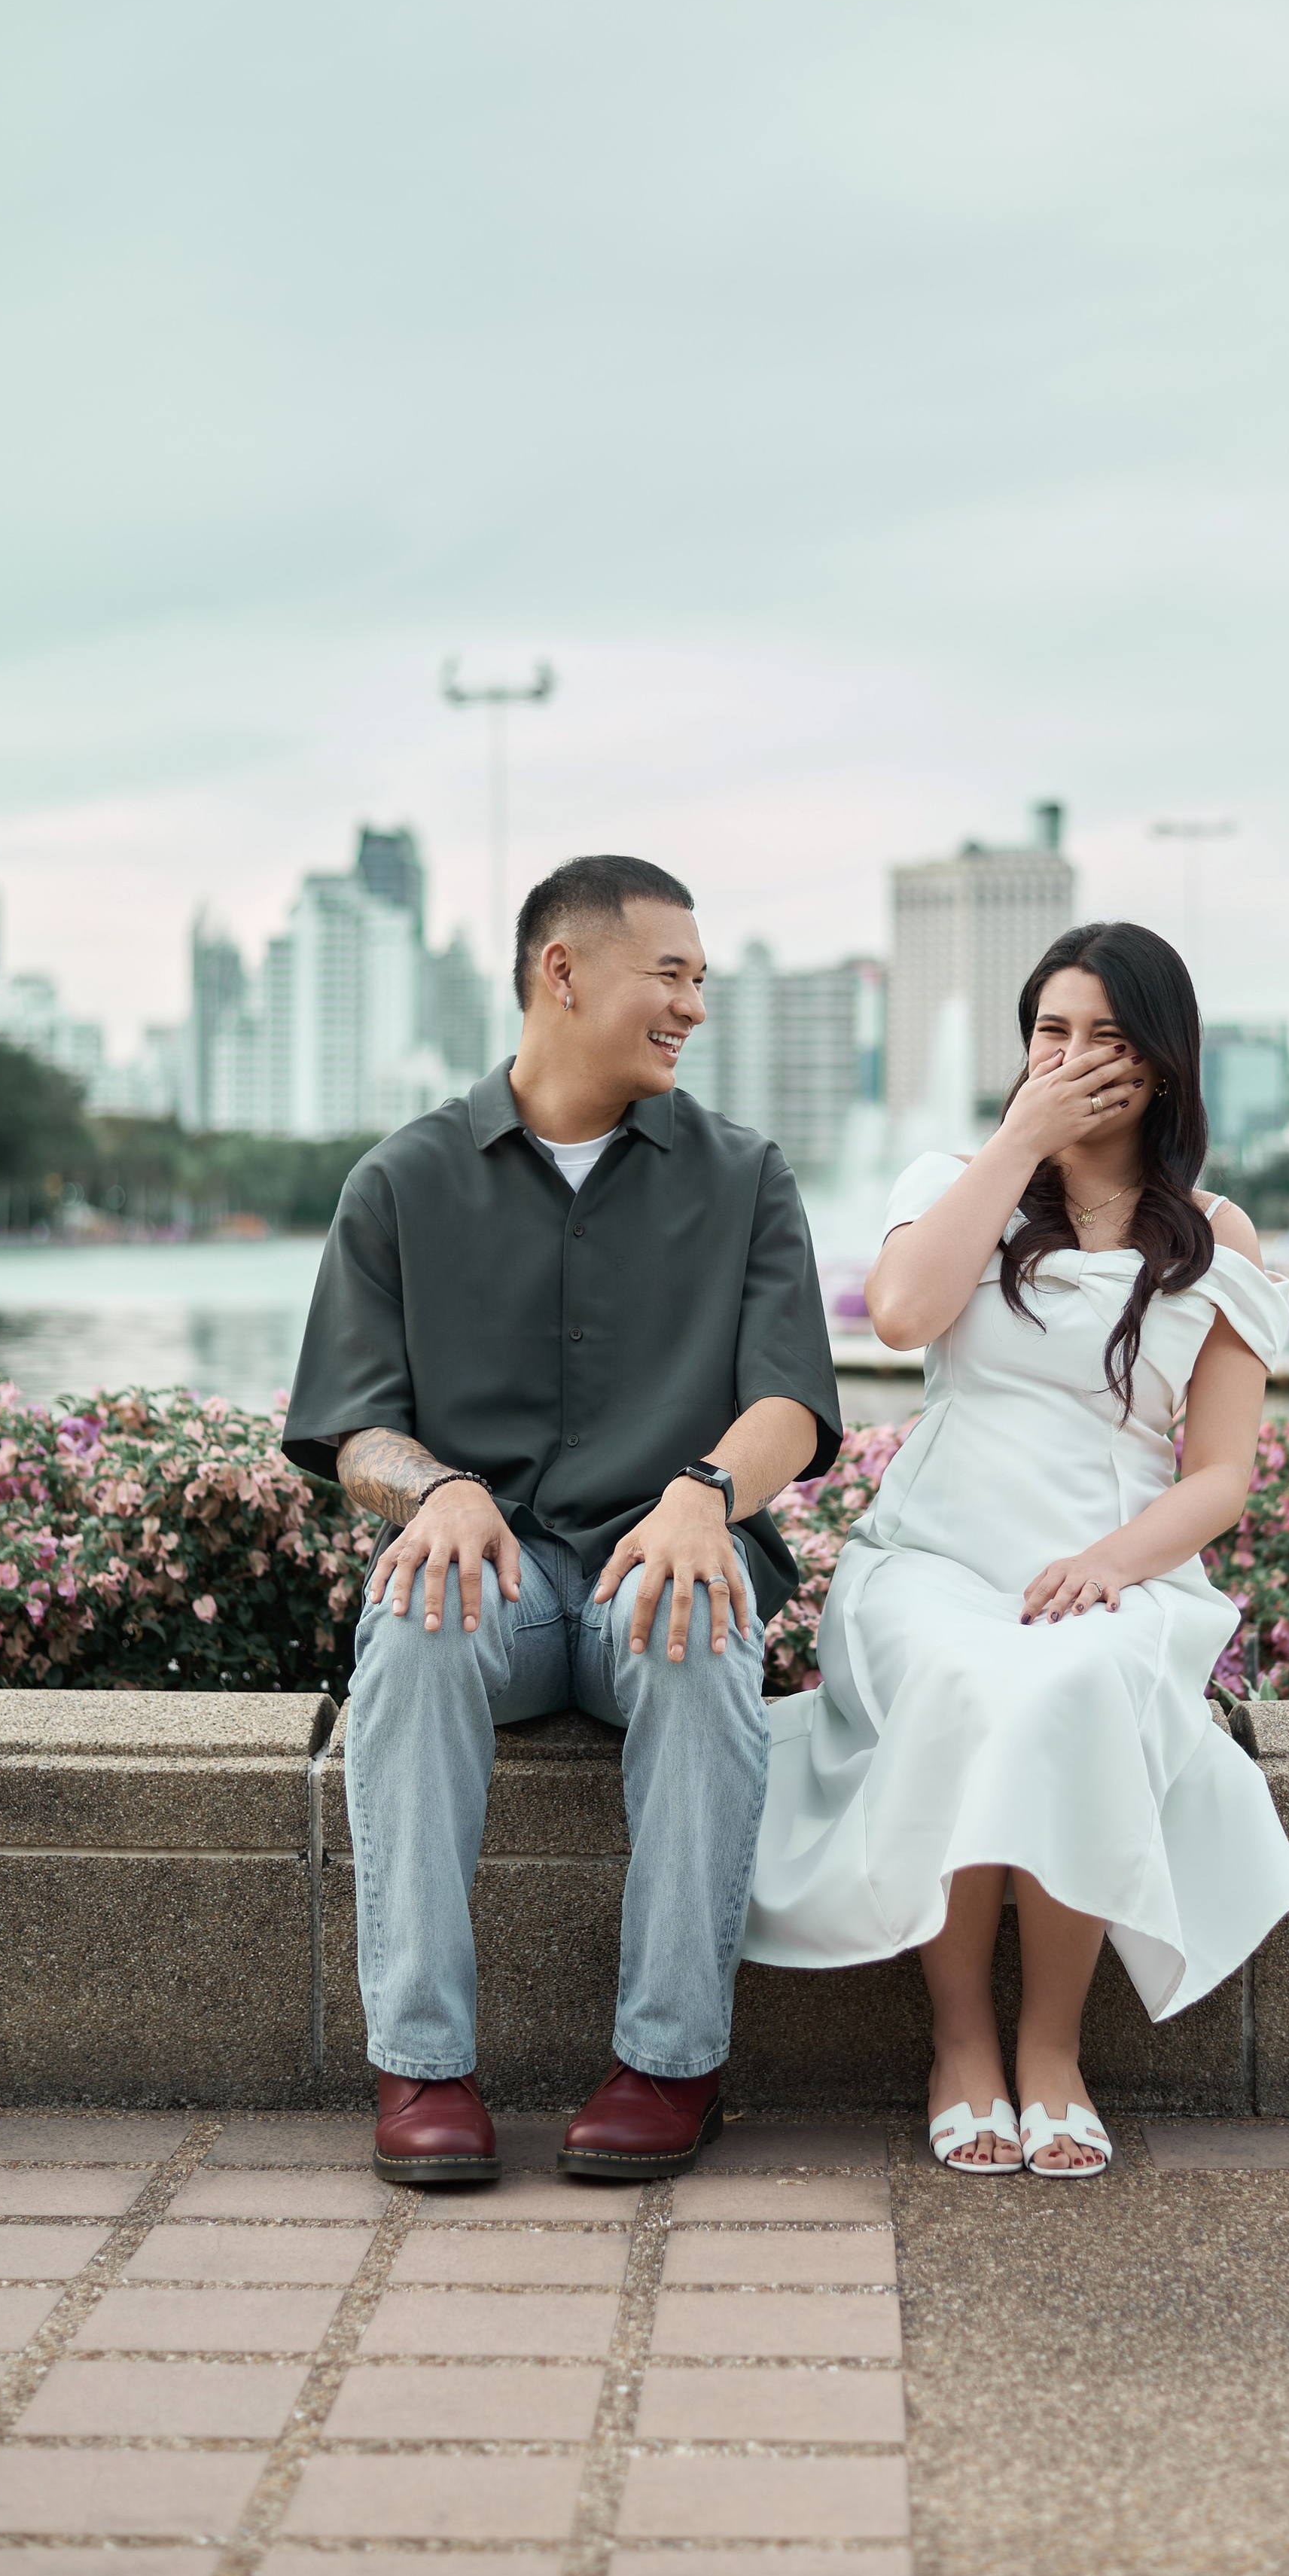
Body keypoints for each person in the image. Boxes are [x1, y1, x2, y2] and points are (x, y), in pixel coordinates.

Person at [282, 855, 840, 2187]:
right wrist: (436, 1488)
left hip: (667, 1557)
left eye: (702, 982)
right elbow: (352, 1425)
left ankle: (671, 2065)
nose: (694, 1006)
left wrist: (708, 1495)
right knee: (413, 1618)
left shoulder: (747, 1177)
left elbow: (795, 1408)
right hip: (501, 1581)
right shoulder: (401, 1181)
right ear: (564, 971)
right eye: (672, 975)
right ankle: (420, 2067)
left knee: (705, 1628)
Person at [746, 922, 1289, 2178]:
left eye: (1108, 1037)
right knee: (963, 1675)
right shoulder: (957, 1176)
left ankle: (1050, 2048)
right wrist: (1020, 1141)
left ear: (1162, 1064)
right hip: (934, 1557)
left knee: (1067, 1681)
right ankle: (960, 2044)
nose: (1074, 1056)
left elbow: (1220, 1472)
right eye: (1052, 1031)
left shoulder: (1221, 1235)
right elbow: (900, 1316)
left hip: (1112, 1559)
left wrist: (1116, 1563)